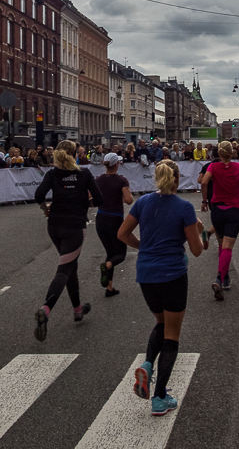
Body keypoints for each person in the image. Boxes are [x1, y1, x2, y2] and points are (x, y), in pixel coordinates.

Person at [117, 160, 203, 416]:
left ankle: (147, 363)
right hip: (173, 274)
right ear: (177, 179)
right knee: (172, 334)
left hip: (146, 273)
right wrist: (200, 231)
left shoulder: (143, 202)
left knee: (161, 322)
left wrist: (143, 248)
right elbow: (197, 250)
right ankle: (160, 397)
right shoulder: (184, 207)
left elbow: (122, 233)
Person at [33, 140, 103, 341]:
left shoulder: (53, 174)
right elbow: (99, 200)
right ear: (75, 154)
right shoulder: (84, 174)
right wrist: (84, 202)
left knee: (70, 265)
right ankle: (46, 309)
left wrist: (45, 209)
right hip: (75, 225)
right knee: (64, 269)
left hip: (54, 225)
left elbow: (39, 194)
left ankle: (78, 309)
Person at [201, 141, 239, 300]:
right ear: (232, 152)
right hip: (233, 209)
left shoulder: (213, 167)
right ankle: (219, 279)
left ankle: (226, 277)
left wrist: (204, 201)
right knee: (228, 247)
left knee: (222, 244)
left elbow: (203, 182)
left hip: (217, 209)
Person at [94, 153, 134, 297]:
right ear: (117, 164)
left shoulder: (98, 179)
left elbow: (90, 199)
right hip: (115, 219)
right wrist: (127, 198)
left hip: (100, 218)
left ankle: (109, 288)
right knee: (120, 254)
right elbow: (129, 200)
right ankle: (108, 266)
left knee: (110, 252)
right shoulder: (121, 180)